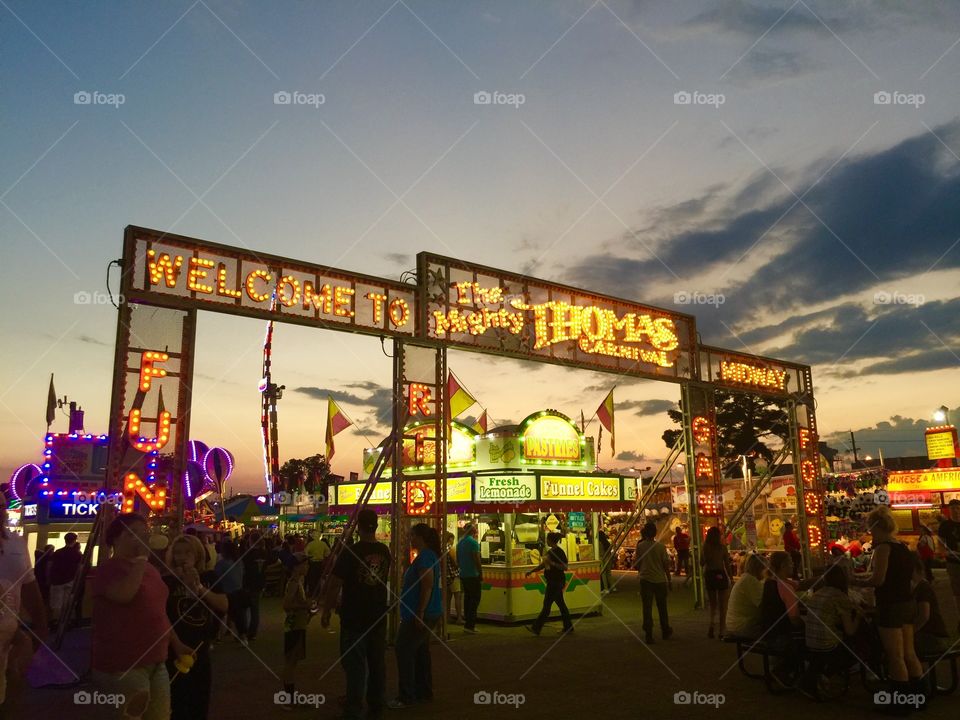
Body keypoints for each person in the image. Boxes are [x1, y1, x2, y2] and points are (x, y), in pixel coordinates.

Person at [91, 512, 189, 720]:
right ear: (115, 539)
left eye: (142, 533)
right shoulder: (108, 569)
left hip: (157, 661)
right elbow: (124, 595)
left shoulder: (150, 569)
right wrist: (141, 558)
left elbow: (157, 611)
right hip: (124, 664)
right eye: (131, 533)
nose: (139, 538)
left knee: (160, 716)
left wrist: (177, 644)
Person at [322, 509, 391, 720]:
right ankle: (376, 704)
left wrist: (326, 611)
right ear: (377, 525)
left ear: (358, 527)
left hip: (354, 616)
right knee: (377, 663)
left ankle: (354, 706)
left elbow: (334, 584)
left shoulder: (350, 552)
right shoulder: (384, 551)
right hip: (378, 615)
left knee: (355, 665)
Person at [854, 506, 925, 713]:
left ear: (876, 527)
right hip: (907, 603)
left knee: (895, 655)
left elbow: (878, 579)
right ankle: (919, 695)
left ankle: (901, 703)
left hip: (890, 605)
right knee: (909, 653)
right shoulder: (902, 547)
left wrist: (855, 580)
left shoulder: (883, 548)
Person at [164, 534, 228, 720]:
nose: (182, 557)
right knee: (176, 704)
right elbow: (159, 614)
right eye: (177, 553)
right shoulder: (167, 581)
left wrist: (199, 587)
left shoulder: (209, 577)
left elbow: (223, 605)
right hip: (173, 649)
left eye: (187, 552)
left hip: (201, 647)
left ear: (198, 554)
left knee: (199, 704)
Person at [0, 490, 48, 714]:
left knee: (10, 695)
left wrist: (41, 626)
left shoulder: (17, 544)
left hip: (9, 638)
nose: (0, 512)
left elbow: (29, 586)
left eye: (1, 507)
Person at [390, 523, 443, 709]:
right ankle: (423, 691)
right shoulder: (427, 556)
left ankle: (406, 695)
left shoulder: (425, 557)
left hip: (419, 613)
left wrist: (419, 612)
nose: (410, 539)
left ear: (420, 537)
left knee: (403, 649)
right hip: (426, 611)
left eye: (412, 535)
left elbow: (427, 585)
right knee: (420, 651)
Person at [801, 564, 862, 699]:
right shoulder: (839, 597)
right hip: (827, 645)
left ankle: (816, 677)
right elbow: (850, 630)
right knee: (858, 648)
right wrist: (858, 616)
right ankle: (823, 677)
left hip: (810, 641)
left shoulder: (817, 594)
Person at [760, 551, 803, 686]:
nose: (793, 565)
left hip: (767, 632)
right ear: (784, 566)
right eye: (790, 562)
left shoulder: (769, 583)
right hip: (781, 635)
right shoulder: (785, 587)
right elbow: (794, 618)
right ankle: (786, 669)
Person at [279, 553, 312, 711]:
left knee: (293, 662)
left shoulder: (299, 581)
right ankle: (288, 699)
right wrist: (304, 606)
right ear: (296, 567)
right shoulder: (293, 582)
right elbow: (286, 605)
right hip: (294, 627)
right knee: (290, 663)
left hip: (298, 624)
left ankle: (290, 696)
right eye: (304, 564)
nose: (307, 567)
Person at [526, 532, 574, 636]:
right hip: (553, 581)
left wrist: (552, 564)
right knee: (561, 605)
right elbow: (543, 565)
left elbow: (564, 567)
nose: (546, 541)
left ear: (551, 540)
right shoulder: (551, 551)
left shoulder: (559, 552)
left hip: (556, 582)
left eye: (547, 539)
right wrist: (532, 571)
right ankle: (568, 626)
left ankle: (536, 627)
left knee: (547, 605)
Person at [632, 522, 672, 643]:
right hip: (659, 580)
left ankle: (648, 633)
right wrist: (669, 579)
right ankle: (665, 630)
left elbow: (637, 564)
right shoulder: (660, 547)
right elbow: (666, 565)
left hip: (646, 580)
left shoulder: (640, 546)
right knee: (662, 606)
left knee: (647, 607)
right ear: (655, 533)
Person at [911, 551, 949, 657]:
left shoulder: (923, 587)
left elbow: (924, 616)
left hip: (932, 636)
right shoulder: (918, 586)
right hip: (927, 634)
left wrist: (910, 633)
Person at [213, 540, 247, 643]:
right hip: (238, 591)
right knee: (239, 615)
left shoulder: (222, 564)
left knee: (217, 615)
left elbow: (216, 577)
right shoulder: (239, 562)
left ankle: (216, 636)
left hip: (225, 592)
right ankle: (243, 636)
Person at [725, 553, 765, 639]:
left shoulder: (747, 579)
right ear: (760, 569)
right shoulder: (751, 581)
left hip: (734, 624)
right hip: (743, 626)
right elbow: (763, 604)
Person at [47, 532, 83, 626]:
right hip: (70, 580)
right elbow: (80, 568)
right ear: (74, 541)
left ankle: (56, 621)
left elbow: (49, 566)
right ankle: (66, 621)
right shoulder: (77, 554)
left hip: (57, 580)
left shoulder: (57, 552)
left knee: (56, 603)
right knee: (67, 602)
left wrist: (49, 578)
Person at [701, 526, 731, 639]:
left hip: (709, 574)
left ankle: (712, 624)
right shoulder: (722, 548)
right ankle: (722, 630)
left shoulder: (705, 547)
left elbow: (701, 562)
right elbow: (727, 564)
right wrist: (730, 577)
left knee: (713, 603)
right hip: (720, 574)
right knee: (723, 604)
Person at [937, 499, 960, 634]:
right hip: (953, 563)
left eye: (958, 508)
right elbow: (941, 545)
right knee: (957, 592)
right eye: (953, 509)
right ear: (949, 511)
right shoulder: (945, 526)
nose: (956, 511)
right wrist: (945, 552)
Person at [456, 524, 482, 634]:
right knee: (474, 600)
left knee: (467, 599)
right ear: (473, 531)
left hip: (464, 574)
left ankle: (467, 624)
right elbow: (476, 559)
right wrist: (480, 573)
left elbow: (457, 559)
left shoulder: (460, 542)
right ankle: (470, 625)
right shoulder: (473, 543)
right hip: (473, 574)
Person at [242, 533, 268, 642]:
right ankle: (252, 632)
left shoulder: (247, 554)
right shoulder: (265, 553)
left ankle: (243, 631)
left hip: (248, 584)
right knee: (255, 609)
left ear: (251, 541)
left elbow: (243, 569)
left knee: (243, 609)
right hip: (260, 584)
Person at [443, 531, 462, 623]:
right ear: (450, 539)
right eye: (453, 539)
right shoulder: (451, 548)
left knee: (448, 598)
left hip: (446, 576)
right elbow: (454, 562)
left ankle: (447, 617)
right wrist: (458, 567)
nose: (453, 541)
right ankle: (459, 618)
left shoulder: (442, 548)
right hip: (453, 575)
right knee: (458, 596)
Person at [304, 532, 331, 596]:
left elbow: (305, 553)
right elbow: (328, 552)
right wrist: (324, 556)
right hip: (320, 563)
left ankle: (312, 591)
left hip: (312, 563)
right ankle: (317, 592)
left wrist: (309, 557)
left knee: (311, 578)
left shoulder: (310, 544)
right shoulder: (323, 544)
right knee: (318, 578)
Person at [598, 529, 614, 593]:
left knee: (603, 574)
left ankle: (606, 588)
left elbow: (600, 552)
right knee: (608, 573)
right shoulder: (607, 542)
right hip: (608, 558)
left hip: (602, 558)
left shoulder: (599, 543)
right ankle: (613, 587)